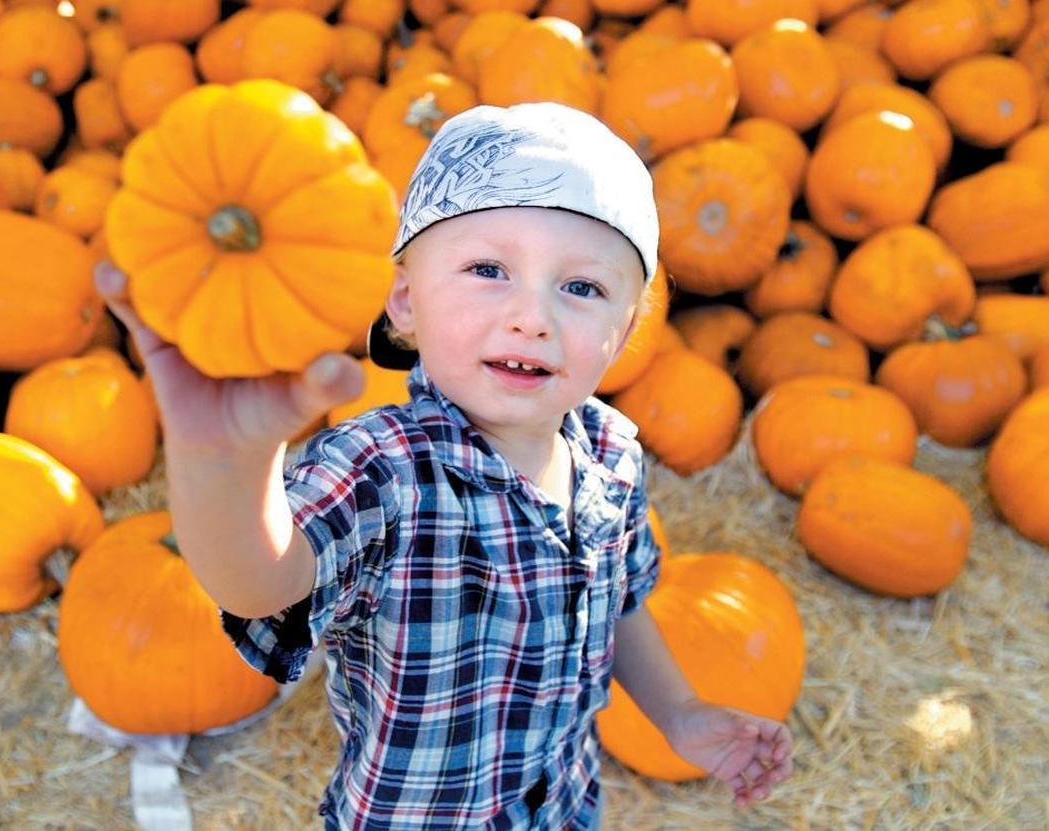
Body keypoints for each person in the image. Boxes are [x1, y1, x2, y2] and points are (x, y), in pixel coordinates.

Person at [95, 101, 793, 830]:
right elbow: (260, 581)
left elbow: (618, 602)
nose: (533, 316)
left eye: (581, 287)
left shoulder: (612, 455)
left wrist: (679, 714)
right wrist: (222, 461)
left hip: (561, 808)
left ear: (624, 333)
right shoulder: (386, 469)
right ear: (404, 300)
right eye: (488, 269)